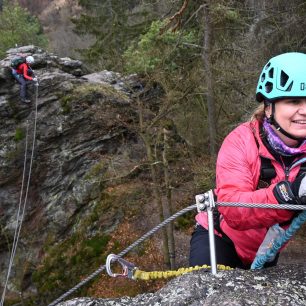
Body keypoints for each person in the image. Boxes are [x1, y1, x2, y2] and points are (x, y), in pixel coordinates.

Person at [189, 52, 306, 269]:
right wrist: (288, 194)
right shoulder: (241, 142)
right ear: (269, 107)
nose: (304, 110)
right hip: (219, 240)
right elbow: (233, 209)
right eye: (294, 101)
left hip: (268, 248)